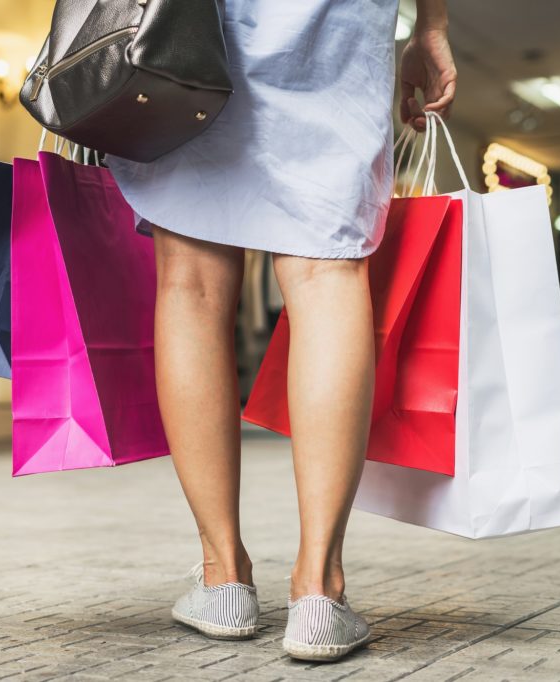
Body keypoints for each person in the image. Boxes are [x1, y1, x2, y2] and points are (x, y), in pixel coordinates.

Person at [107, 0, 457, 662]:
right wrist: (432, 25)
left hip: (192, 26)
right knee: (327, 276)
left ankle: (223, 581)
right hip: (336, 21)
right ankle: (318, 591)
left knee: (193, 284)